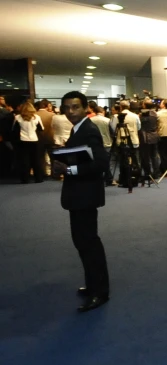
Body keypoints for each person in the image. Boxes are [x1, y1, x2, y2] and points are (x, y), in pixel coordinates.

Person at [51, 91, 111, 312]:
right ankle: (94, 285)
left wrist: (68, 168)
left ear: (86, 107)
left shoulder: (89, 130)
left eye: (75, 107)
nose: (70, 112)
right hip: (80, 195)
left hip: (85, 196)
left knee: (89, 243)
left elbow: (101, 164)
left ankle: (100, 292)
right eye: (66, 107)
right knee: (83, 243)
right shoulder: (80, 129)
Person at [12, 101, 45, 183]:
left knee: (24, 160)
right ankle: (38, 179)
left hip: (23, 140)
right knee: (36, 160)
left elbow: (14, 130)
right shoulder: (36, 117)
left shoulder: (18, 117)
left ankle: (25, 179)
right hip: (34, 140)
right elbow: (41, 128)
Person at [139, 100, 160, 185]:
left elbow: (141, 125)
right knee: (154, 155)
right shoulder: (155, 114)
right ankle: (156, 172)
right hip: (154, 135)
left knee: (146, 156)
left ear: (144, 105)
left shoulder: (142, 115)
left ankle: (148, 173)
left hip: (145, 137)